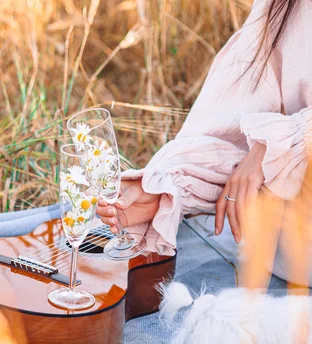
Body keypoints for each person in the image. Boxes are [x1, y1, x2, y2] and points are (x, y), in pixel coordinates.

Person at [97, 0, 312, 284]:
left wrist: (294, 137)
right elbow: (233, 130)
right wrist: (164, 188)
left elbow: (271, 150)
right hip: (286, 258)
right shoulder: (285, 7)